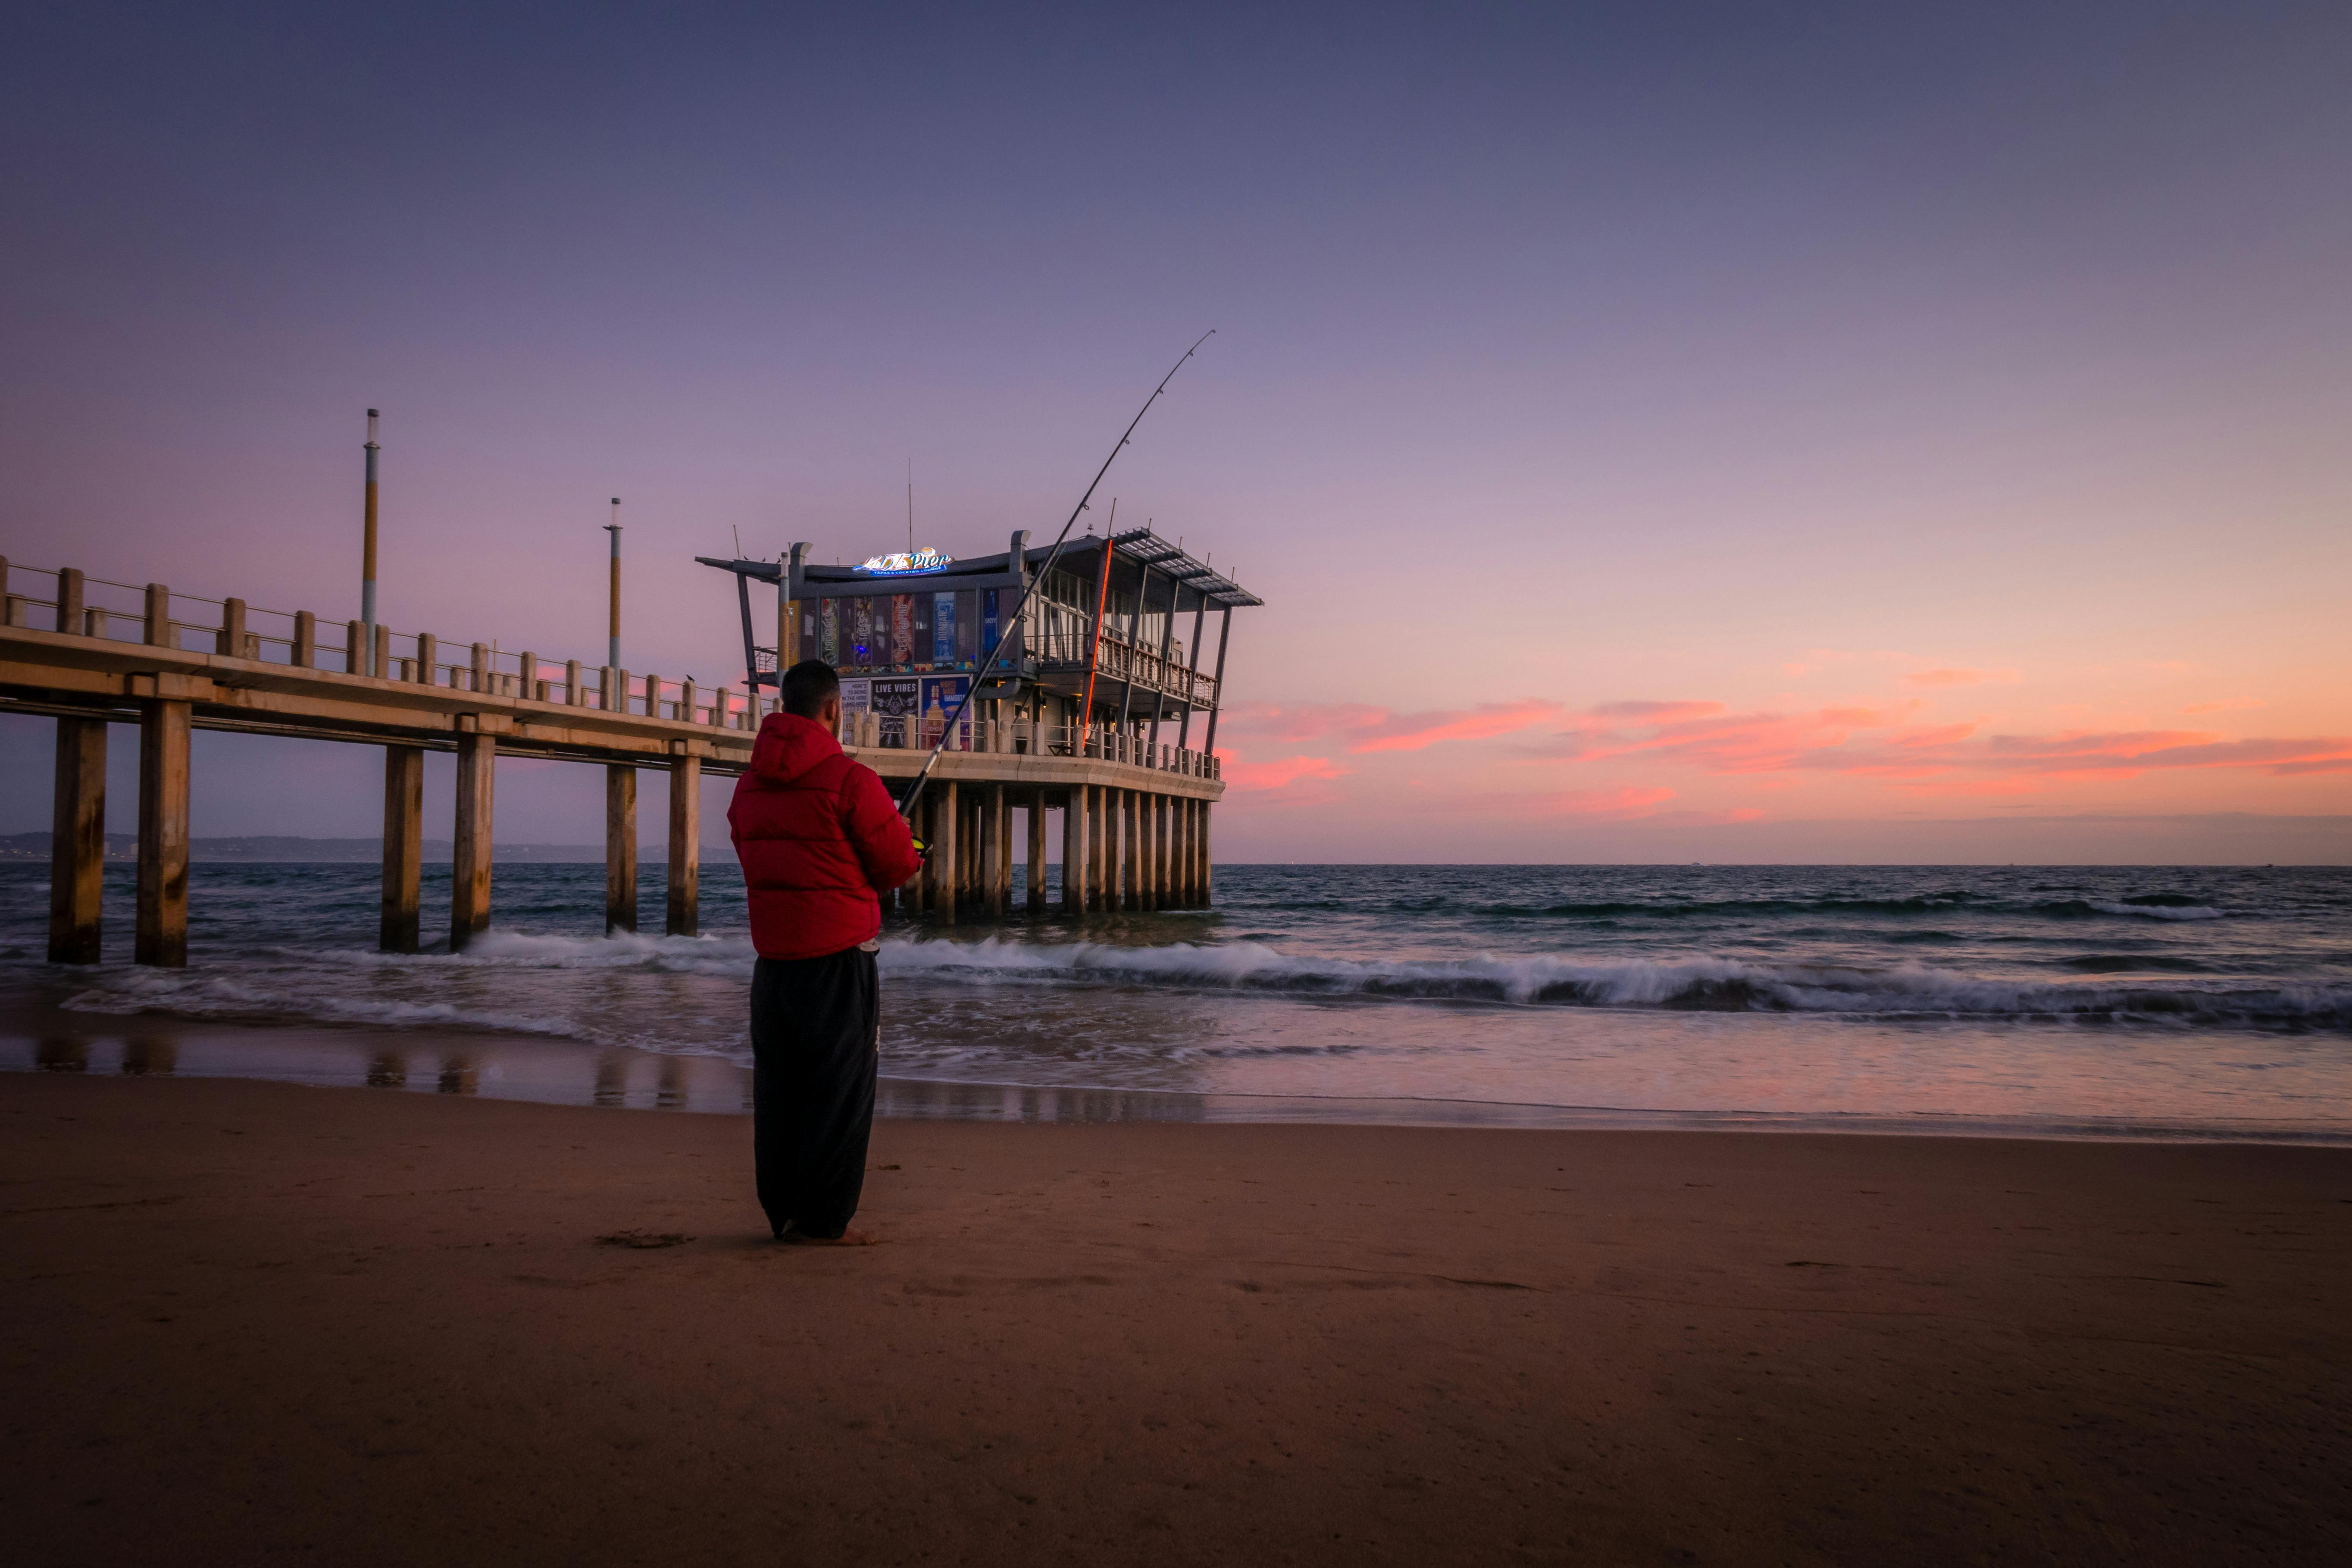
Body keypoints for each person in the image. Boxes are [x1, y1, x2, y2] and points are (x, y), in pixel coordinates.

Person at [728, 659, 924, 1245]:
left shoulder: (748, 787)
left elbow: (757, 851)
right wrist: (913, 848)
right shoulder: (851, 781)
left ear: (783, 706)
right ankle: (825, 1221)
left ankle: (783, 1208)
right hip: (840, 961)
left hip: (775, 966)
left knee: (780, 1089)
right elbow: (894, 866)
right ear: (834, 709)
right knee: (840, 1089)